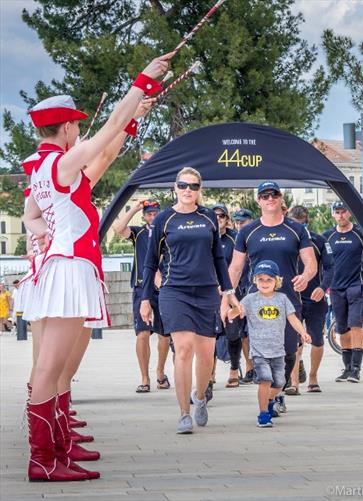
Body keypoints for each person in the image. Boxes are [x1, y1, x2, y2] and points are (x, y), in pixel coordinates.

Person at [22, 52, 172, 482]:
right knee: (51, 368)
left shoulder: (42, 170)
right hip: (67, 271)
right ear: (68, 127)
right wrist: (141, 81)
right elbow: (106, 133)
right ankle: (44, 460)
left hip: (59, 267)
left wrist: (42, 234)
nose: (77, 131)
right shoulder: (60, 163)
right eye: (74, 125)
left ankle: (50, 454)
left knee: (49, 367)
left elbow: (33, 214)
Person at [140, 167, 239, 435]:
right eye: (183, 186)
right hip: (175, 291)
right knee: (183, 349)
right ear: (175, 188)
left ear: (200, 190)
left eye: (193, 186)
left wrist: (228, 293)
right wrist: (146, 298)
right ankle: (184, 413)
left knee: (206, 354)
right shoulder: (164, 219)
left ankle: (200, 396)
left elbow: (219, 258)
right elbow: (150, 263)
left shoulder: (207, 217)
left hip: (207, 291)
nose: (188, 191)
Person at [227, 181, 316, 412]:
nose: (269, 199)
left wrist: (305, 276)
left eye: (274, 194)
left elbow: (310, 262)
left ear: (280, 198)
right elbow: (235, 268)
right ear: (258, 201)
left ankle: (278, 391)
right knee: (262, 354)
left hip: (287, 300)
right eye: (264, 195)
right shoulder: (247, 231)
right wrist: (226, 296)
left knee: (288, 354)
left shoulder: (296, 229)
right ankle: (269, 399)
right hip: (257, 303)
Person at [237, 260, 312, 427]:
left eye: (269, 279)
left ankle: (270, 400)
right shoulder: (250, 299)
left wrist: (303, 333)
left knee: (279, 384)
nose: (264, 283)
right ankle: (263, 414)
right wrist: (231, 311)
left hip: (278, 351)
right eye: (261, 279)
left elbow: (293, 318)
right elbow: (238, 310)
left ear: (277, 281)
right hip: (259, 351)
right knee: (265, 381)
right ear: (255, 280)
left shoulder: (282, 299)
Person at [112, 199, 170, 393]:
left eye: (155, 213)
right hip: (141, 287)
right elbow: (119, 229)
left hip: (164, 287)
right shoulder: (139, 233)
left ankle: (160, 371)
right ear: (144, 216)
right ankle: (144, 378)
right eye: (149, 214)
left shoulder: (168, 231)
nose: (152, 217)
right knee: (142, 333)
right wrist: (135, 208)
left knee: (164, 334)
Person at [322, 201, 363, 384]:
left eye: (343, 212)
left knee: (356, 326)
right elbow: (321, 262)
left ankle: (356, 369)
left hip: (356, 286)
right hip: (336, 289)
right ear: (333, 215)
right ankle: (346, 368)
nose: (340, 216)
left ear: (349, 213)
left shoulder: (360, 234)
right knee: (341, 328)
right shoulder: (328, 237)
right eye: (337, 212)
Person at [286, 205, 333, 393]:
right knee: (294, 340)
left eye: (302, 224)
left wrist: (323, 288)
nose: (298, 228)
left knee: (316, 339)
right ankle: (294, 382)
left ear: (307, 222)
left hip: (315, 297)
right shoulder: (284, 239)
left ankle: (313, 377)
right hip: (292, 297)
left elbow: (330, 267)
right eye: (294, 224)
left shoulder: (319, 241)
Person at [211, 203, 237, 391]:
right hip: (209, 291)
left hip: (232, 291)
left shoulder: (234, 238)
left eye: (222, 216)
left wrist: (229, 289)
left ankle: (234, 370)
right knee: (209, 334)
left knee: (233, 333)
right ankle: (209, 374)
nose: (218, 218)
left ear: (227, 219)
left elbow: (239, 265)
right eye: (215, 216)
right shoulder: (204, 237)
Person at [230, 208, 255, 383]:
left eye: (243, 221)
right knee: (242, 334)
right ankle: (249, 368)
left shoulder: (255, 237)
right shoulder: (233, 240)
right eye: (237, 222)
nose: (239, 225)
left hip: (255, 288)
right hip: (237, 292)